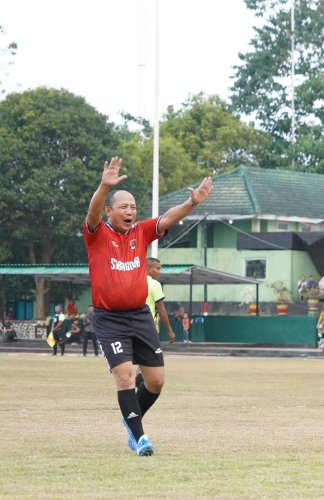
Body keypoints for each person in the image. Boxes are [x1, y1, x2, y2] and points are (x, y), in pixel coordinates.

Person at [84, 156, 212, 456]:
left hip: (140, 316)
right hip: (109, 319)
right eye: (123, 207)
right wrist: (104, 185)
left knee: (155, 381)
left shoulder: (140, 232)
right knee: (126, 376)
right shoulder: (97, 235)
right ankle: (139, 437)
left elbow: (166, 219)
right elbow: (91, 213)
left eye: (133, 207)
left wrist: (191, 204)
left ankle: (131, 417)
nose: (130, 212)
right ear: (109, 211)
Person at [146, 258, 176, 344]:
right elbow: (162, 311)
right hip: (149, 328)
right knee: (155, 357)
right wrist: (170, 331)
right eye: (158, 268)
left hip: (134, 328)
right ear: (148, 268)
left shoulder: (135, 281)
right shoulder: (155, 284)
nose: (160, 271)